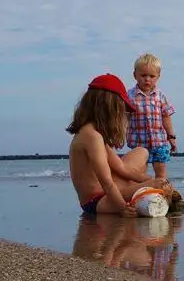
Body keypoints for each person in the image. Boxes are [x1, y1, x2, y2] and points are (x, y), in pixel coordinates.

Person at [67, 73, 173, 216]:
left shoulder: (95, 134)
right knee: (151, 189)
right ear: (109, 108)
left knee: (141, 152)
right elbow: (107, 183)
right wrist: (122, 207)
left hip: (107, 194)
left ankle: (146, 190)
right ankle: (145, 195)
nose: (122, 115)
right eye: (121, 110)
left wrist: (150, 180)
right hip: (97, 201)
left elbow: (122, 168)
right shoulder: (92, 137)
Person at [126, 53, 177, 179]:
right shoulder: (130, 96)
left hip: (159, 141)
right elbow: (125, 118)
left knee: (161, 173)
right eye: (143, 75)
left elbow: (166, 116)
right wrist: (120, 134)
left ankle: (162, 195)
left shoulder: (160, 96)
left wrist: (171, 136)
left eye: (152, 76)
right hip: (138, 142)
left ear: (158, 77)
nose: (147, 79)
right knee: (139, 173)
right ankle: (142, 195)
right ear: (135, 75)